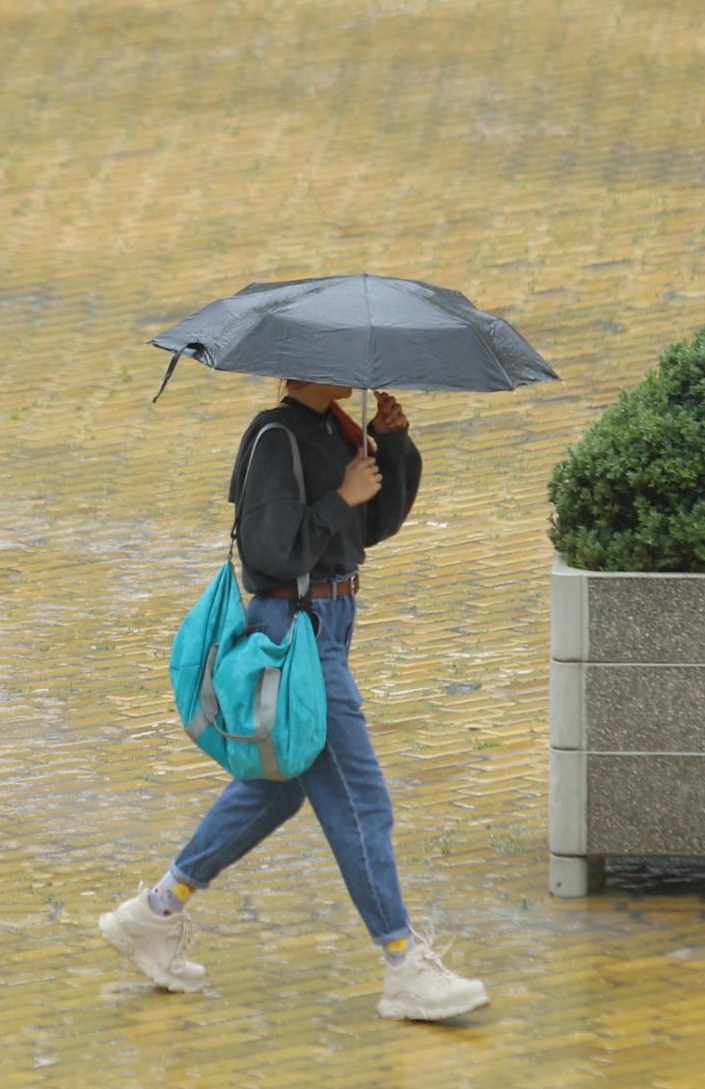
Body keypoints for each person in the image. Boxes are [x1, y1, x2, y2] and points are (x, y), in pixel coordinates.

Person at [100, 379, 490, 1021]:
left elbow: (370, 528)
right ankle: (403, 966)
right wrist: (339, 496)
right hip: (294, 635)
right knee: (363, 801)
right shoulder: (274, 437)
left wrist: (392, 448)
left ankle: (155, 911)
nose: (352, 372)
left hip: (330, 626)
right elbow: (269, 553)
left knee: (278, 786)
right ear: (299, 369)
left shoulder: (333, 429)